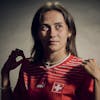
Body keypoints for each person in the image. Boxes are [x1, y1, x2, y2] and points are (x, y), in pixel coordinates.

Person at [1, 1, 100, 100]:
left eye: (58, 26)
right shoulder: (27, 66)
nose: (52, 34)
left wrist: (98, 79)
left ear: (70, 31)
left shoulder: (82, 69)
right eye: (45, 27)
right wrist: (5, 74)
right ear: (37, 33)